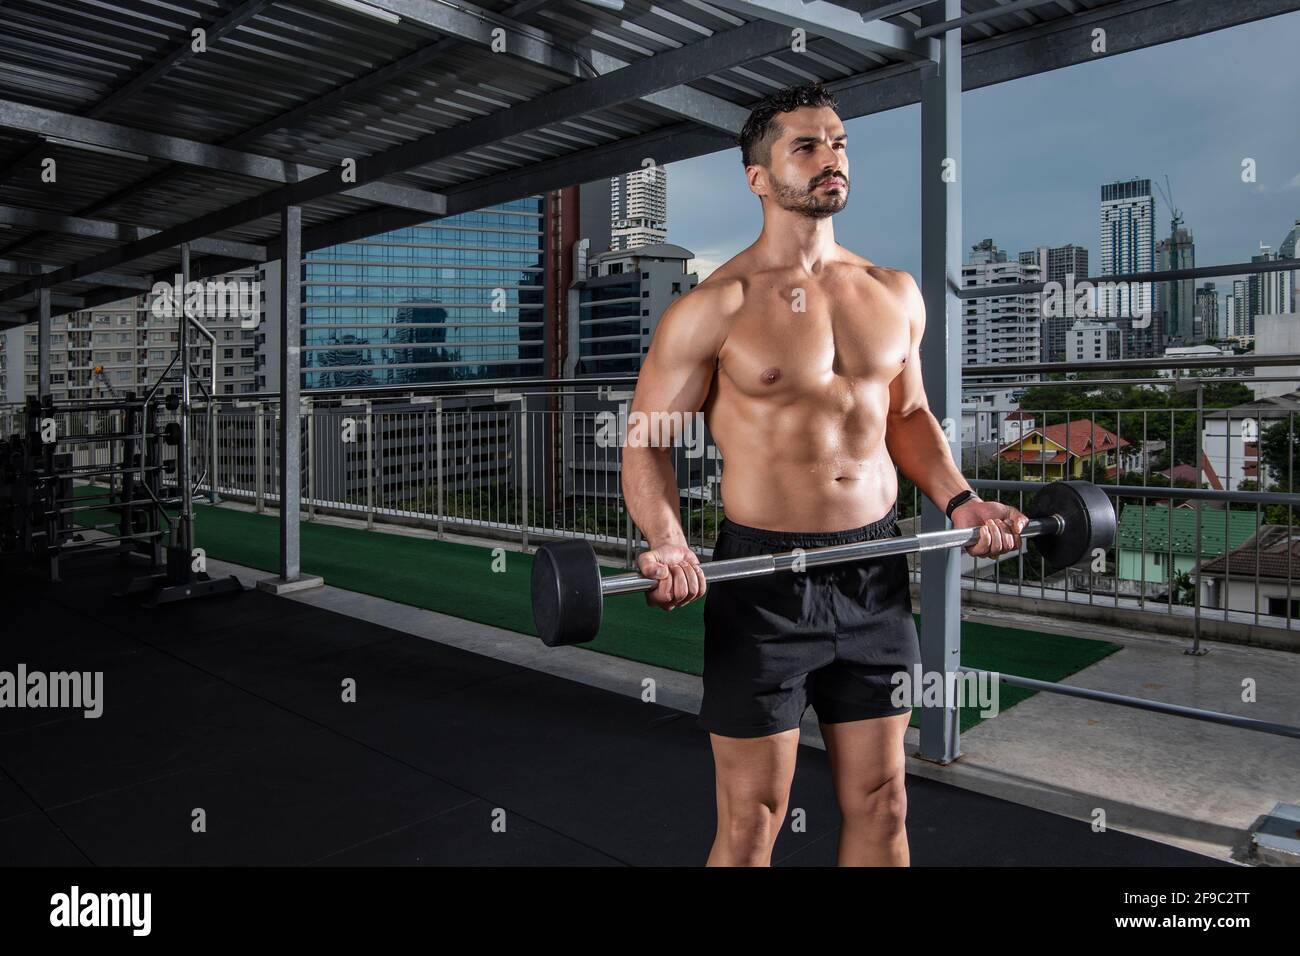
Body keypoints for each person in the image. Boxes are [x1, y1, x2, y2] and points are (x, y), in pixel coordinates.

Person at [620, 82, 1029, 867]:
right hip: (763, 580)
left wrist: (963, 500)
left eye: (838, 143)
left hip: (875, 568)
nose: (831, 158)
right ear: (758, 177)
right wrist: (669, 541)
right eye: (805, 146)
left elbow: (907, 418)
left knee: (884, 802)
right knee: (753, 821)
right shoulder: (714, 306)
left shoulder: (893, 292)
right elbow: (648, 443)